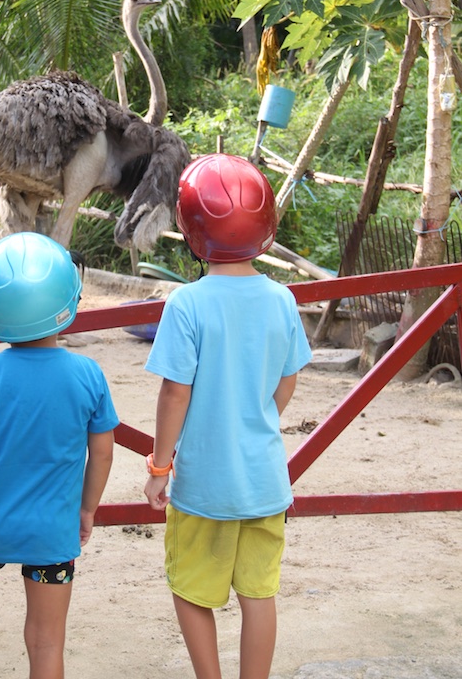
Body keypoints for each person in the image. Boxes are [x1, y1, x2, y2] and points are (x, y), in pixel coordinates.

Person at [144, 154, 312, 679]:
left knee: (192, 588)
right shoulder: (281, 299)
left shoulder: (186, 304)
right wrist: (258, 415)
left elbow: (175, 393)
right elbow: (287, 379)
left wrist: (159, 466)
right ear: (264, 228)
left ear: (191, 230)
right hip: (264, 481)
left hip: (204, 487)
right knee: (259, 593)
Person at [0, 232, 119, 679]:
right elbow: (103, 454)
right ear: (65, 302)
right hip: (53, 537)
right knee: (46, 639)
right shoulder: (87, 375)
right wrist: (87, 510)